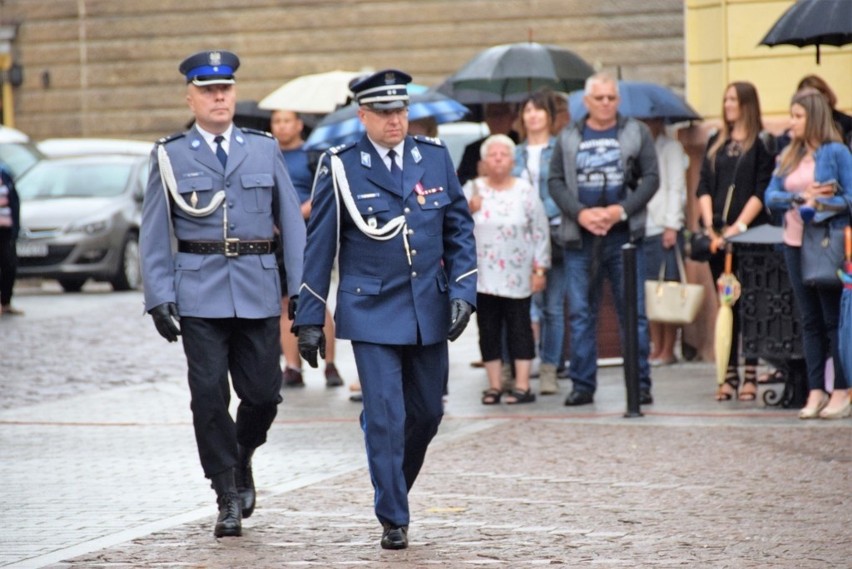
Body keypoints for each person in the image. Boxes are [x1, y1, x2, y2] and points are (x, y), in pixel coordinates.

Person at [294, 69, 477, 550]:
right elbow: (320, 247)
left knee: (427, 415)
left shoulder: (433, 159)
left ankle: (393, 480)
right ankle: (394, 515)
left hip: (427, 308)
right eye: (383, 112)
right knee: (385, 416)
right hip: (372, 308)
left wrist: (463, 291)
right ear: (363, 115)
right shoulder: (341, 165)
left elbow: (459, 229)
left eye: (400, 110)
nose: (395, 120)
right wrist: (309, 318)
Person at [139, 50, 306, 538]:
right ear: (190, 97)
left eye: (226, 89)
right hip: (198, 291)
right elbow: (154, 229)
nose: (219, 96)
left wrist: (301, 292)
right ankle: (226, 492)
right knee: (208, 397)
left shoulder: (262, 147)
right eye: (209, 90)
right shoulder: (170, 154)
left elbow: (291, 224)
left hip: (256, 288)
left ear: (234, 94)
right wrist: (158, 295)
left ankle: (244, 453)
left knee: (264, 395)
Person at [548, 71, 659, 407]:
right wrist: (580, 213)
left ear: (618, 100)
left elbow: (652, 178)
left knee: (634, 314)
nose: (606, 103)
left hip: (624, 237)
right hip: (580, 240)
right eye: (600, 98)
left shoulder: (635, 131)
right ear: (586, 101)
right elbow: (555, 181)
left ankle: (638, 384)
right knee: (581, 313)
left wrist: (620, 211)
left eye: (611, 98)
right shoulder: (568, 136)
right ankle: (582, 384)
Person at [764, 89, 852, 420]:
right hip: (794, 243)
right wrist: (801, 197)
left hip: (827, 245)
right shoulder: (789, 153)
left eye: (798, 116)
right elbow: (770, 195)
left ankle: (842, 390)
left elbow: (850, 198)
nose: (792, 122)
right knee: (809, 320)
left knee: (834, 320)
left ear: (813, 117)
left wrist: (824, 201)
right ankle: (816, 390)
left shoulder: (836, 152)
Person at [696, 81, 773, 402]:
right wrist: (712, 227)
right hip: (719, 240)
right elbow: (703, 186)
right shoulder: (716, 141)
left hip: (749, 237)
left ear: (746, 104)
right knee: (726, 304)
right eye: (725, 98)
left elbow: (761, 189)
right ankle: (727, 375)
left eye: (733, 99)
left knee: (751, 304)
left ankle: (751, 374)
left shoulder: (761, 143)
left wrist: (739, 225)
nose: (727, 104)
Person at [466, 134, 549, 404]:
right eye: (493, 154)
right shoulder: (472, 189)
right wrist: (467, 210)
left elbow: (539, 230)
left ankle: (522, 385)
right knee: (488, 329)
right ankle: (494, 385)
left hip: (517, 272)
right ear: (483, 161)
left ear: (513, 160)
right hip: (483, 275)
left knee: (519, 328)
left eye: (504, 154)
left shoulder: (524, 190)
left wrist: (540, 268)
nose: (499, 158)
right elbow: (454, 227)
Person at [269, 109, 345, 389]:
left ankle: (329, 364)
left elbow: (326, 190)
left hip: (311, 233)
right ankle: (292, 366)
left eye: (287, 120)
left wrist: (301, 211)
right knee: (286, 301)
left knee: (315, 296)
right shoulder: (268, 154)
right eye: (276, 121)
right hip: (277, 236)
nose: (282, 126)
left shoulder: (314, 155)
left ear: (299, 125)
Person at [513, 91, 564, 395]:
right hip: (520, 239)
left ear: (549, 115)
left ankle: (550, 369)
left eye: (538, 110)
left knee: (553, 307)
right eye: (527, 110)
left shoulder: (560, 149)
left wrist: (546, 213)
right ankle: (519, 365)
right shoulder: (515, 152)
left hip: (556, 232)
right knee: (523, 306)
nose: (532, 115)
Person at [640, 118, 687, 367]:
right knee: (650, 292)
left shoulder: (671, 148)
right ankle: (655, 346)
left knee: (668, 290)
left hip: (664, 226)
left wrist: (672, 224)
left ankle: (669, 348)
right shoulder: (637, 146)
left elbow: (676, 187)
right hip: (642, 226)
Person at [456, 102, 519, 185]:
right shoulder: (472, 150)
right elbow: (460, 183)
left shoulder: (521, 144)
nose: (498, 119)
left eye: (502, 114)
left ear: (512, 118)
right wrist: (480, 175)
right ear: (486, 119)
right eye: (494, 114)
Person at [0, 164, 22, 316]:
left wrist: (16, 226)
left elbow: (14, 201)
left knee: (9, 265)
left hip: (6, 228)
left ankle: (5, 302)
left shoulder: (4, 172)